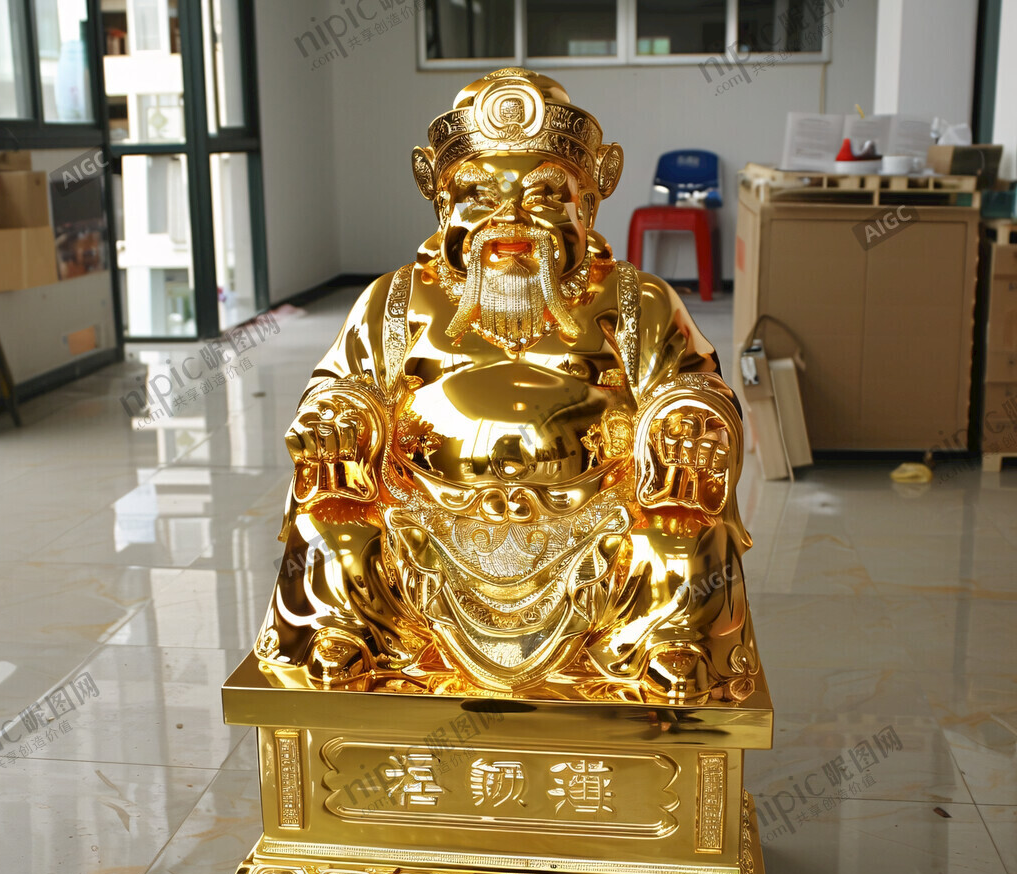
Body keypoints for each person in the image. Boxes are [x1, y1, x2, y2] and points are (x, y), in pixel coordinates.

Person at [254, 68, 762, 705]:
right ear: (443, 206)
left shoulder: (637, 300)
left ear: (588, 204)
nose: (510, 220)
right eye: (477, 195)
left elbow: (693, 384)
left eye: (545, 196)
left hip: (595, 523)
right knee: (335, 529)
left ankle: (663, 638)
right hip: (425, 521)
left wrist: (686, 418)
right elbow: (342, 382)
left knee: (682, 539)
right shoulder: (395, 300)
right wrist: (341, 417)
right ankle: (349, 628)